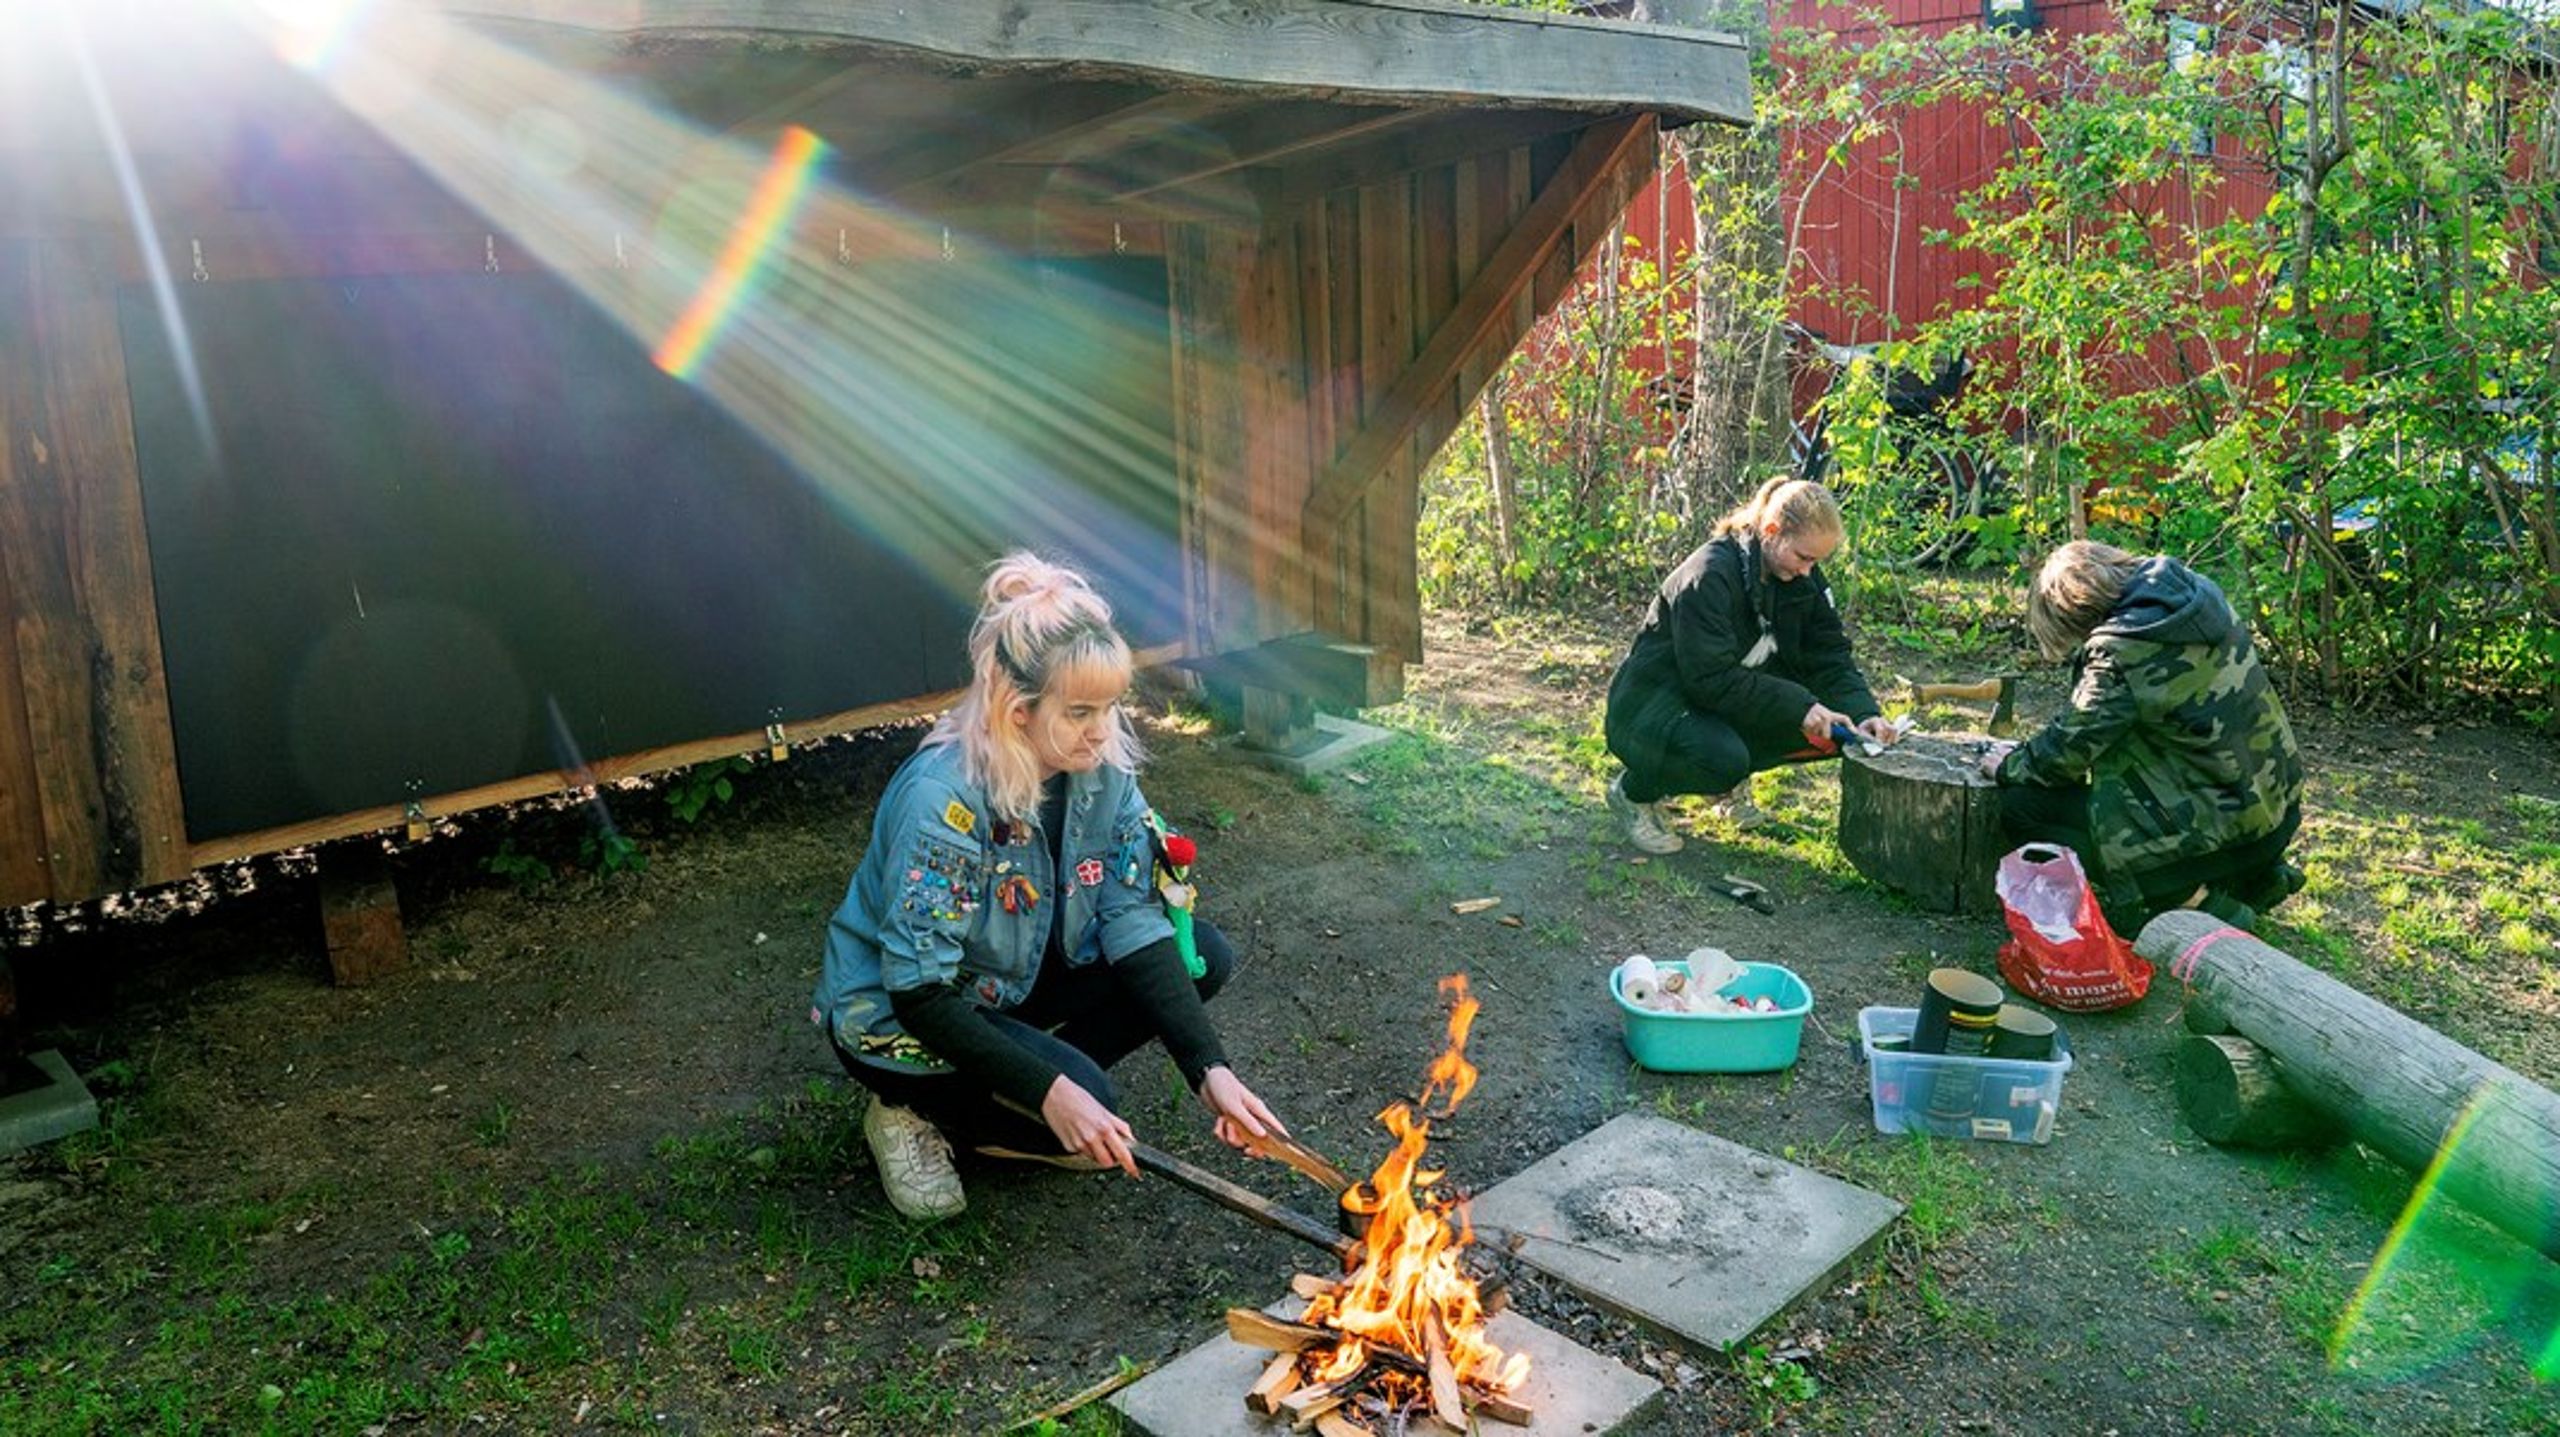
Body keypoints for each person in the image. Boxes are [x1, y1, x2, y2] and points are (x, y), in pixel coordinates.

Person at [811, 551, 1288, 1220]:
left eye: (1113, 705)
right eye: (1081, 710)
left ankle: (1010, 1088)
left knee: (1198, 955)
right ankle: (913, 1109)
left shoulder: (1101, 770)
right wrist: (1053, 1090)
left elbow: (1130, 915)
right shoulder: (942, 799)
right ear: (1017, 709)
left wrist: (1209, 1068)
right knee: (1084, 1116)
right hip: (900, 1009)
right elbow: (917, 988)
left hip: (1007, 974)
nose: (1103, 730)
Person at [1978, 541, 2305, 930]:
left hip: (2218, 831)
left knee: (2023, 805)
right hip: (2275, 815)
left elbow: (2067, 752)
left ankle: (2197, 902)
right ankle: (2256, 880)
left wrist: (2009, 764)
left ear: (2073, 616)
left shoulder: (2123, 650)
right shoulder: (2192, 598)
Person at [1602, 476, 1897, 853]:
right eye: (1804, 558)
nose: (1809, 570)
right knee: (1724, 759)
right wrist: (1799, 706)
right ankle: (1634, 793)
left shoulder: (1799, 573)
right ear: (1772, 531)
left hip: (1721, 699)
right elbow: (1709, 678)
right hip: (1653, 709)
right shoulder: (1708, 576)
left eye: (1817, 561)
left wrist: (1864, 711)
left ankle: (1726, 780)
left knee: (1844, 733)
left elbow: (1830, 653)